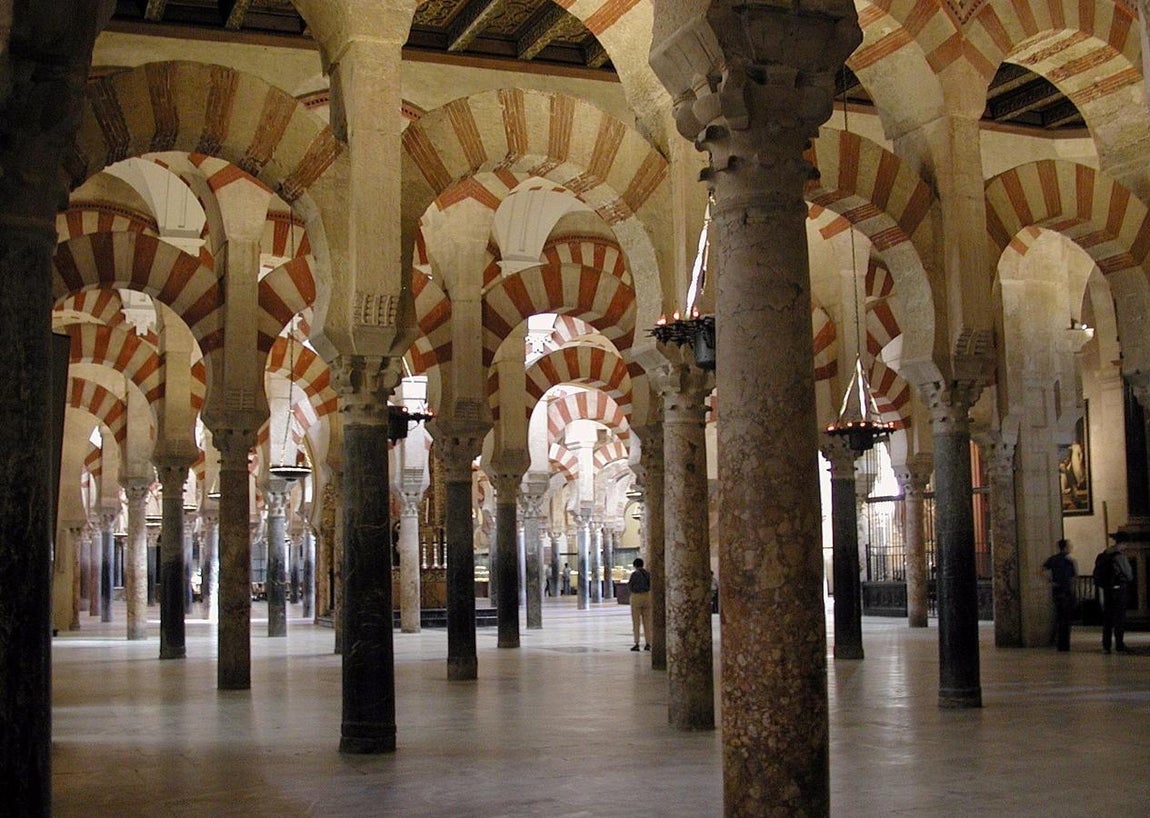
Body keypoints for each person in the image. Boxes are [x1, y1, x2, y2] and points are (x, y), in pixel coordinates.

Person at [1094, 535, 1135, 654]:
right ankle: (1119, 645)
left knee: (1108, 618)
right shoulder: (1119, 556)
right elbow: (1129, 575)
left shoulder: (1104, 554)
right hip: (1119, 590)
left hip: (1107, 589)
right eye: (1126, 545)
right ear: (1122, 543)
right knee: (1119, 618)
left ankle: (1106, 646)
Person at [1041, 539, 1077, 651]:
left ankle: (1058, 642)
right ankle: (1064, 644)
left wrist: (1050, 581)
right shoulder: (1069, 561)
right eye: (1069, 546)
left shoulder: (1053, 559)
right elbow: (1073, 578)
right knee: (1066, 620)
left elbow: (1041, 570)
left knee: (1059, 617)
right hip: (1066, 592)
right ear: (1065, 547)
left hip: (1056, 591)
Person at [627, 558, 652, 651]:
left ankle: (637, 643)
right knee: (647, 621)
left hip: (636, 597)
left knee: (636, 621)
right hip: (647, 596)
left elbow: (630, 586)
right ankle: (648, 643)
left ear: (635, 565)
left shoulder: (634, 574)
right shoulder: (647, 574)